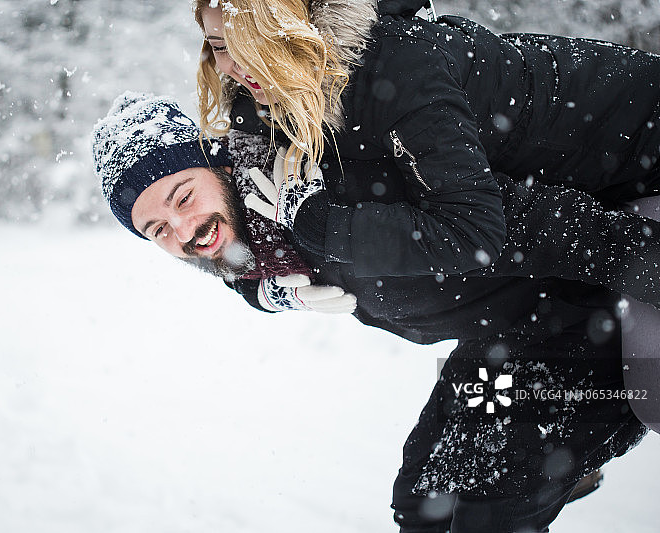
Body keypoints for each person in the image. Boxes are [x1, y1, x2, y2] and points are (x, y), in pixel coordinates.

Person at [91, 91, 653, 532]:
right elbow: (236, 267)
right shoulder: (248, 228)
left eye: (183, 197)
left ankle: (557, 464)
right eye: (157, 230)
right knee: (422, 505)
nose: (185, 232)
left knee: (491, 515)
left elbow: (512, 220)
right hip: (502, 338)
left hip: (584, 313)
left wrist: (642, 256)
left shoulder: (324, 177)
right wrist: (272, 294)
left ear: (216, 164)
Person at [192, 0, 660, 296]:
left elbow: (473, 235)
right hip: (590, 189)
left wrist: (320, 223)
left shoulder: (395, 70)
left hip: (639, 125)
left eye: (250, 42)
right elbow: (248, 218)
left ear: (291, 28)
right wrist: (269, 290)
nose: (232, 65)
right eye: (217, 45)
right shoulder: (266, 100)